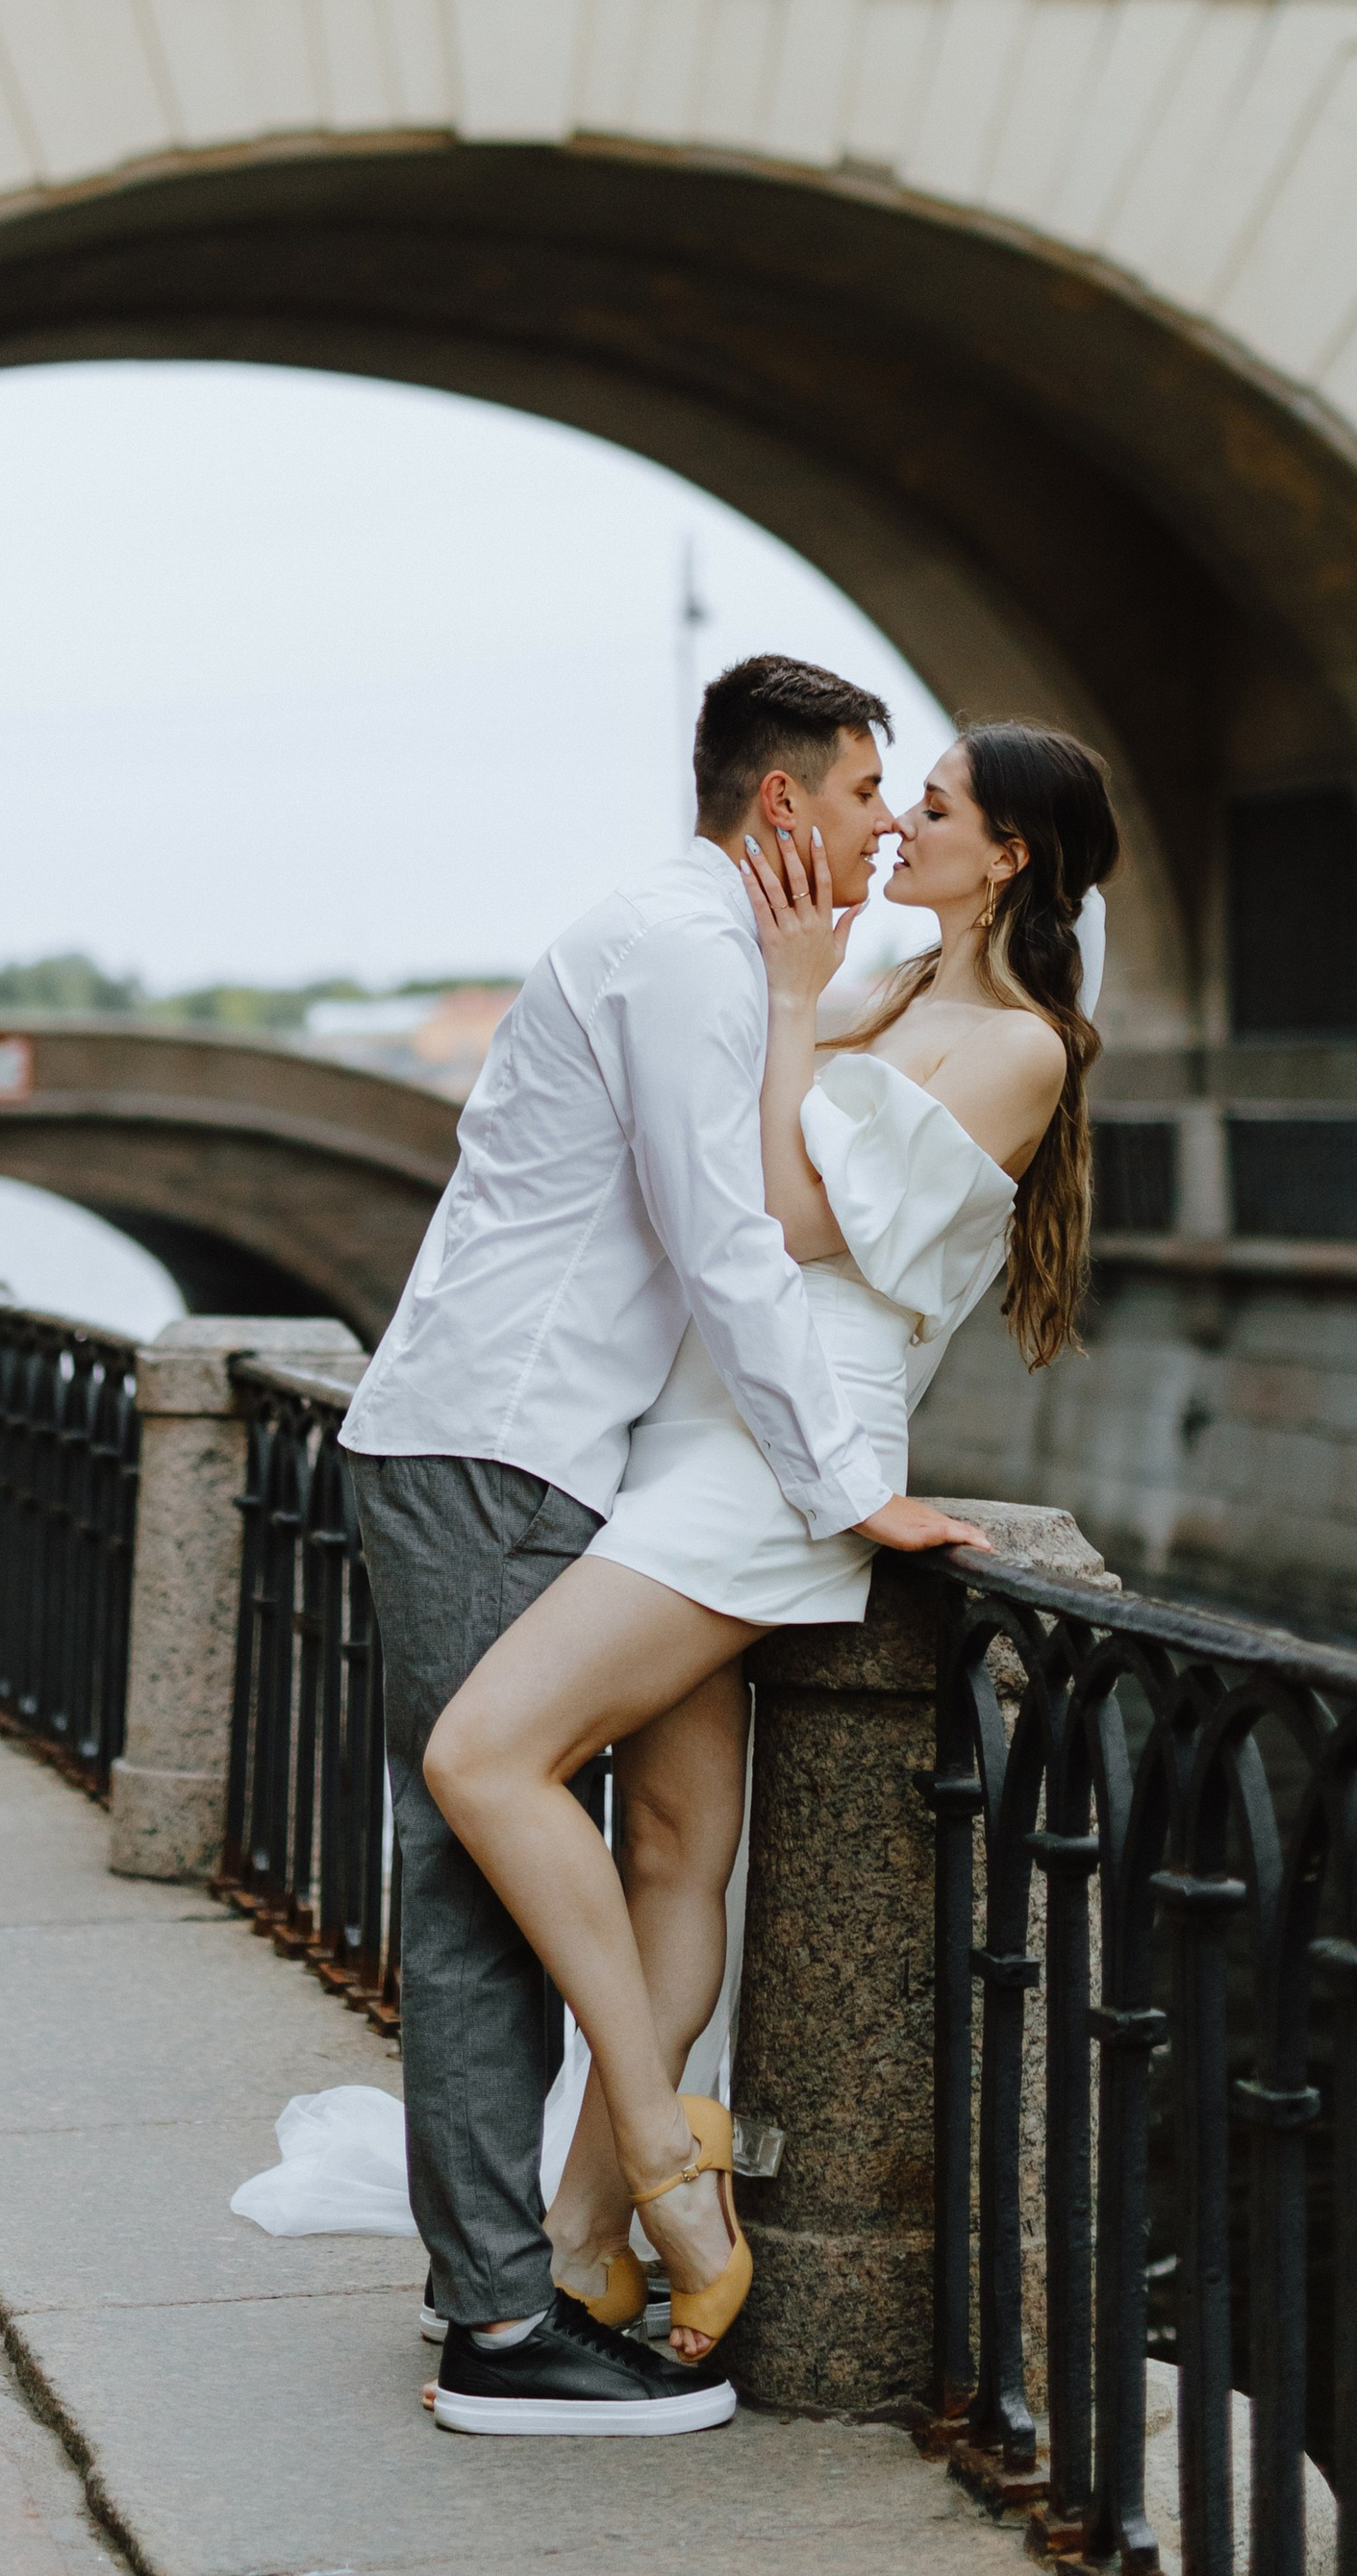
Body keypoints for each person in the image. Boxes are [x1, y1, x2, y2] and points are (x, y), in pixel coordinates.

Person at [338, 656, 994, 2438]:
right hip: (502, 1444)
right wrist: (849, 1480)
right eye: (868, 799)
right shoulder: (689, 949)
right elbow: (732, 1245)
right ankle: (499, 2325)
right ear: (784, 804)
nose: (878, 834)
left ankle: (513, 2271)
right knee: (478, 1888)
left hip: (515, 1440)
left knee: (499, 1861)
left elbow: (824, 1066)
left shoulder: (696, 937)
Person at [423, 715, 1114, 2373]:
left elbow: (798, 1220)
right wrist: (809, 997)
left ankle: (663, 2145)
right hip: (699, 1423)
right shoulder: (891, 993)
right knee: (673, 1848)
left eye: (928, 808)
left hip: (785, 1457)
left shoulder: (1022, 1044)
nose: (898, 832)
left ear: (1006, 851)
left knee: (482, 1756)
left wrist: (796, 1003)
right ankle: (588, 2246)